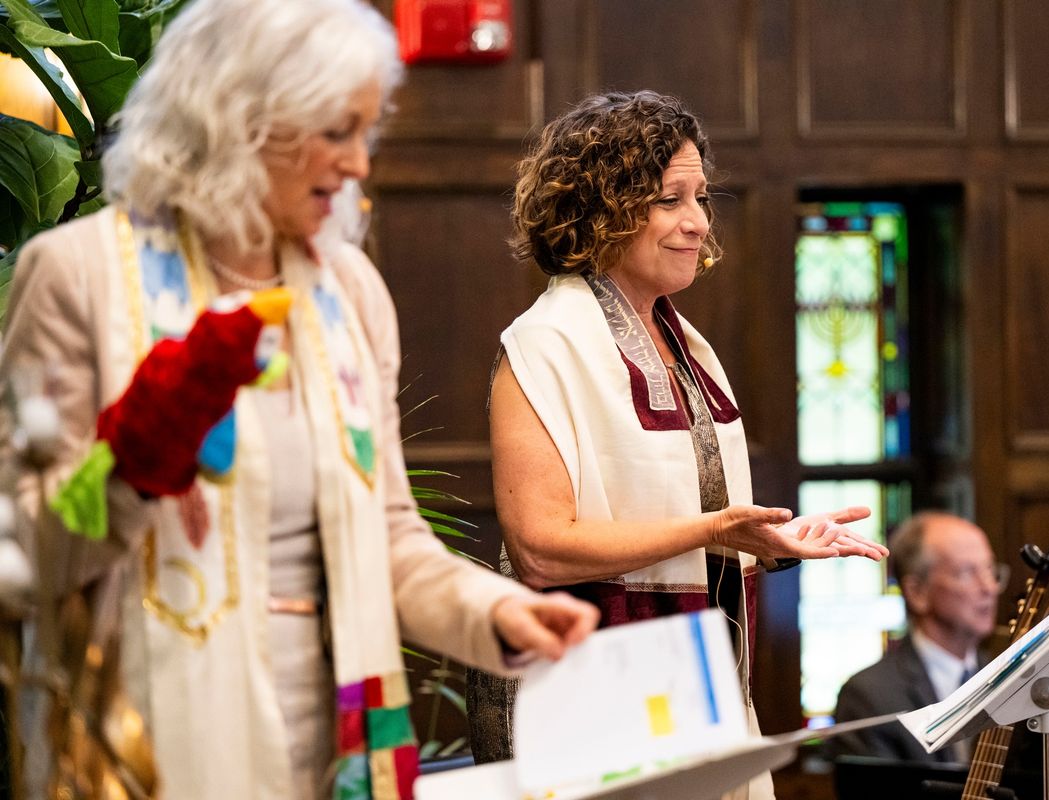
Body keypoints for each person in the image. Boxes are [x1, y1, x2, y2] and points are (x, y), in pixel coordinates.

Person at [0, 1, 599, 798]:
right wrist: (134, 462)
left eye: (366, 132)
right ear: (237, 118)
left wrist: (492, 613)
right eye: (335, 132)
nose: (359, 164)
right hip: (148, 741)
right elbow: (26, 560)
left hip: (337, 744)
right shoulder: (78, 273)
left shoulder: (348, 290)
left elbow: (390, 535)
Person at [466, 90, 889, 798]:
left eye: (701, 198)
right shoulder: (544, 341)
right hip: (597, 700)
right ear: (600, 208)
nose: (698, 223)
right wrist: (719, 529)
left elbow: (695, 527)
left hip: (703, 686)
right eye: (670, 200)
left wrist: (764, 541)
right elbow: (541, 545)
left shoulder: (687, 343)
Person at [828, 511, 1005, 764]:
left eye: (990, 570)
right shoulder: (869, 695)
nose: (989, 587)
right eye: (967, 572)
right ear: (917, 592)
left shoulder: (1008, 680)